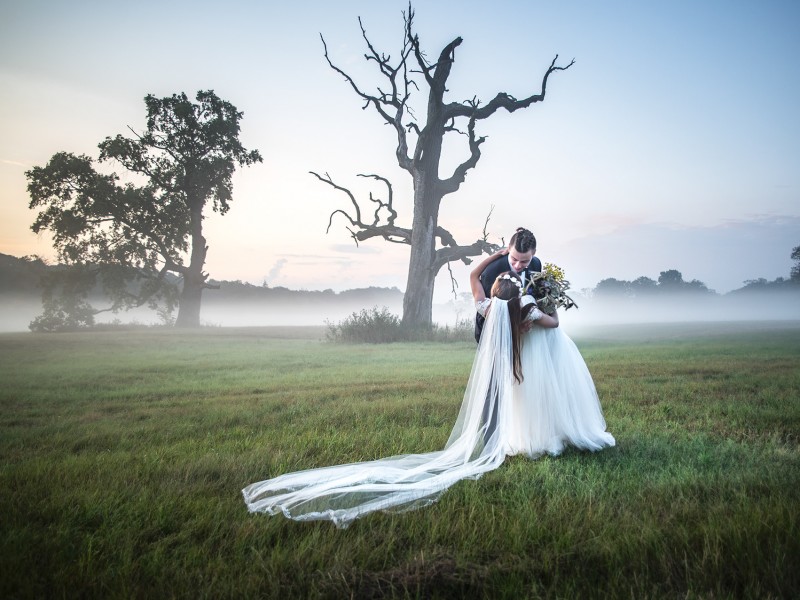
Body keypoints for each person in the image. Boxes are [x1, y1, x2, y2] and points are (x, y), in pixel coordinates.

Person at [242, 250, 613, 528]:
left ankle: (495, 437)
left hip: (498, 364)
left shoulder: (487, 309)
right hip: (517, 363)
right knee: (517, 404)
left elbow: (473, 275)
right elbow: (554, 321)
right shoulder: (524, 313)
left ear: (495, 295)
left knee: (495, 407)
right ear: (517, 297)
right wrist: (542, 300)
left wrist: (495, 256)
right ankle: (510, 438)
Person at [475, 227, 541, 343]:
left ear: (533, 253)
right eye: (514, 259)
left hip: (525, 337)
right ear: (509, 248)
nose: (517, 265)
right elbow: (489, 312)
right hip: (493, 335)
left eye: (525, 261)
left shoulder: (536, 264)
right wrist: (517, 327)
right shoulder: (491, 271)